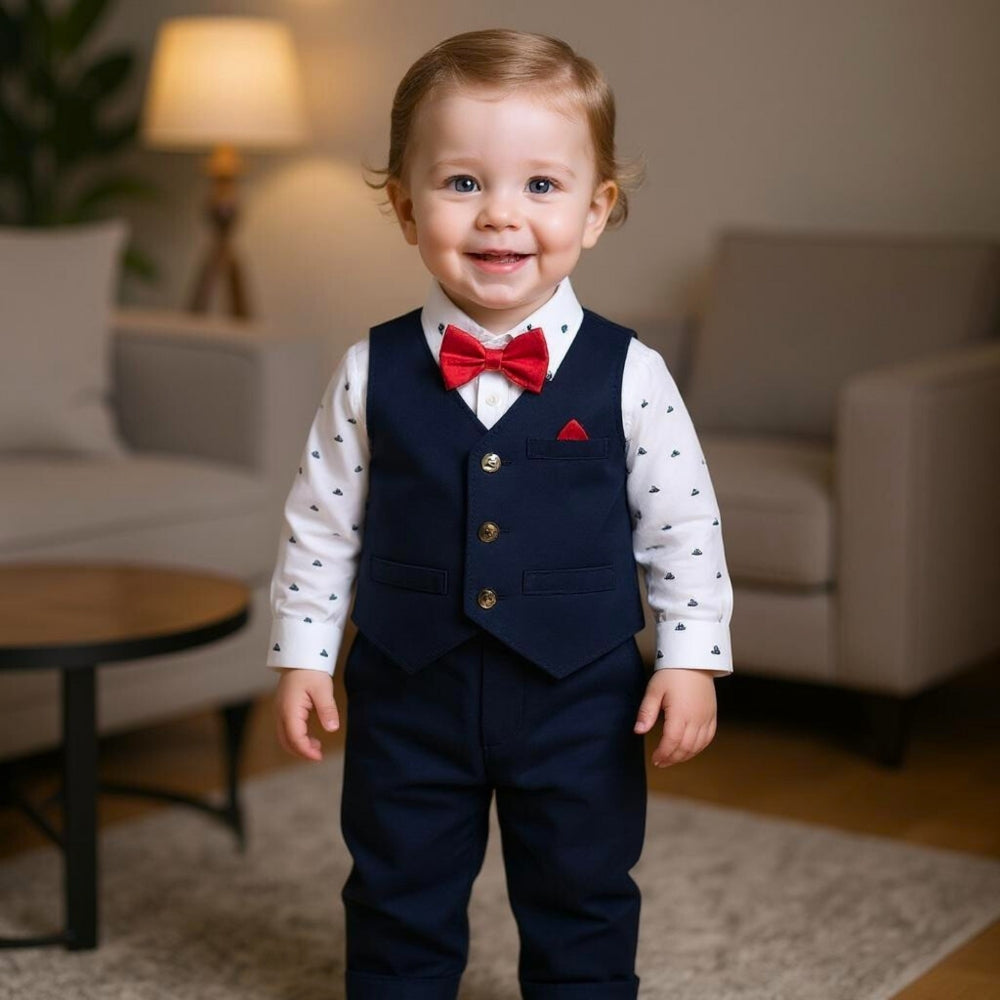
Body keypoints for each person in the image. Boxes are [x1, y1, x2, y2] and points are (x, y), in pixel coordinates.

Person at [266, 27, 733, 1000]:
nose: (499, 218)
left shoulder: (629, 374)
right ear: (403, 206)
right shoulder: (368, 370)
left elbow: (681, 527)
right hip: (407, 686)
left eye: (540, 186)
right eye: (463, 183)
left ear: (598, 209)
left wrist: (690, 657)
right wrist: (305, 651)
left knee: (584, 883)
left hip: (579, 691)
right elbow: (322, 521)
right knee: (396, 883)